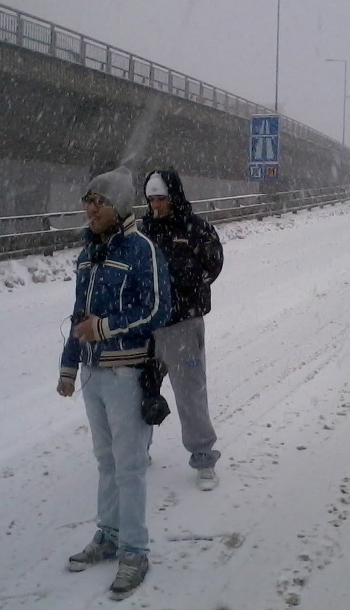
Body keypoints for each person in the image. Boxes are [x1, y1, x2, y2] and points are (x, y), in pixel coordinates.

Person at [56, 166, 171, 601]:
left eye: (98, 202)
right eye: (87, 201)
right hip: (92, 373)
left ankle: (135, 550)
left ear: (118, 206)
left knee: (130, 466)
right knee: (106, 461)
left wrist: (104, 329)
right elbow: (77, 314)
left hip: (126, 372)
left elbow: (158, 308)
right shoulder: (88, 253)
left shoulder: (141, 249)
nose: (89, 209)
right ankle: (107, 535)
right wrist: (69, 366)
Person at [140, 168, 225, 491]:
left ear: (173, 196)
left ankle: (203, 457)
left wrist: (186, 285)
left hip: (183, 324)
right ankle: (138, 449)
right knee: (140, 389)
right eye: (151, 199)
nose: (156, 205)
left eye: (161, 198)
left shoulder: (197, 229)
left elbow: (213, 264)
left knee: (190, 393)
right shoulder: (142, 231)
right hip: (147, 325)